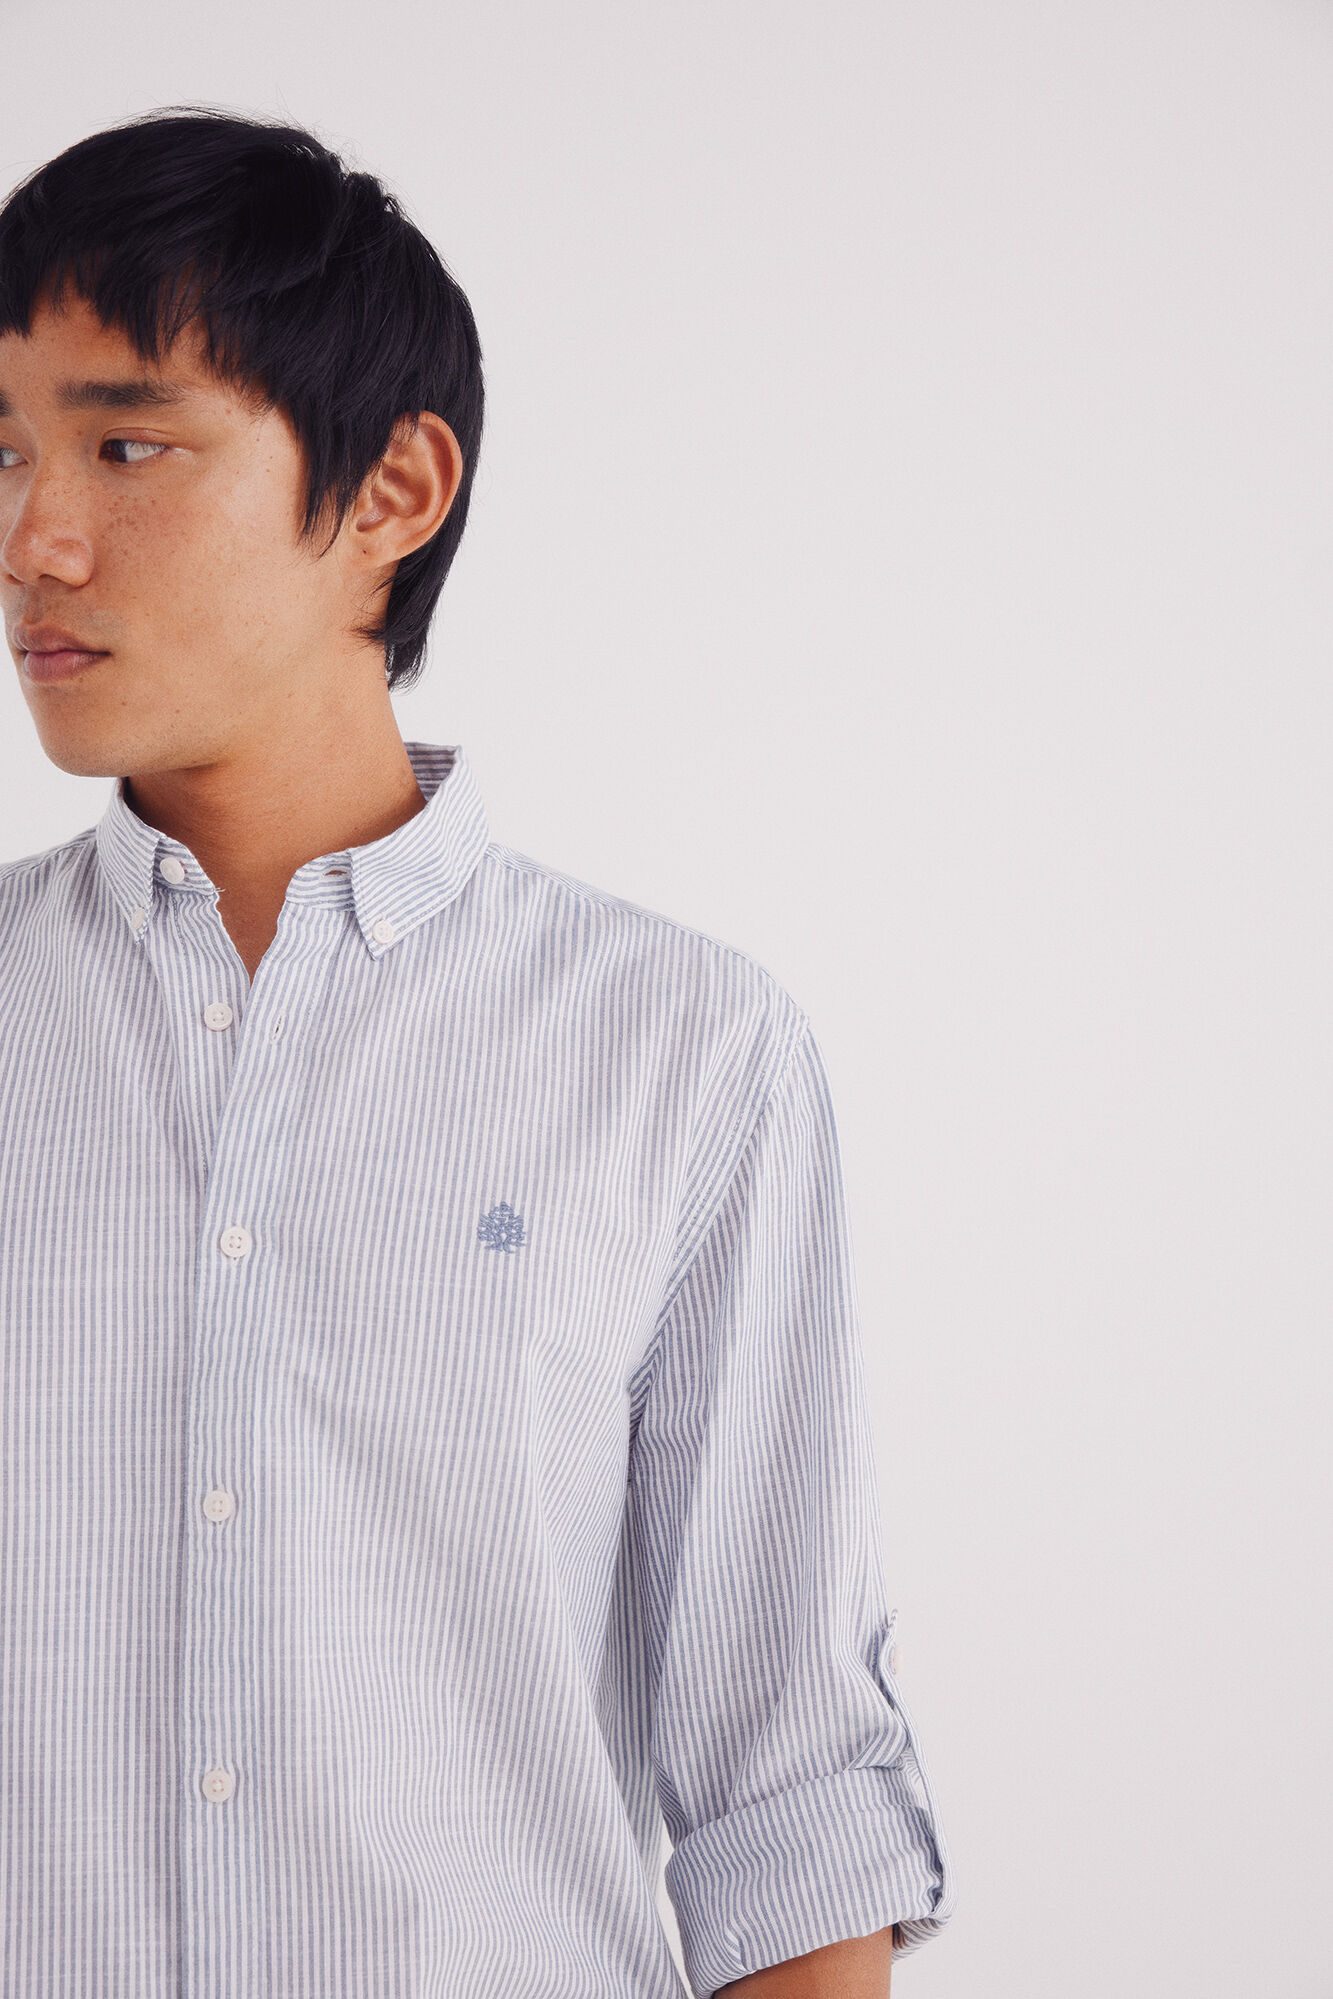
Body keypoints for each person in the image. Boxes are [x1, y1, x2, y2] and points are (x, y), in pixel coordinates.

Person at [0, 107, 956, 1998]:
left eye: (127, 444)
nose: (37, 537)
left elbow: (786, 1797)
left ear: (392, 488)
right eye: (5, 451)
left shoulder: (683, 1055)